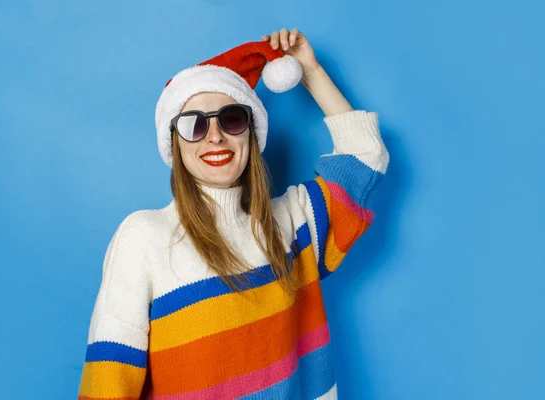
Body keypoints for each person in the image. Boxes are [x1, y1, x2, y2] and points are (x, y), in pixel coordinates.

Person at [77, 28, 390, 400]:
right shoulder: (144, 237)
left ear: (252, 136)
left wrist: (310, 71)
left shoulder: (291, 224)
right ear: (173, 144)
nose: (214, 136)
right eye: (194, 125)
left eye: (232, 119)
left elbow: (365, 156)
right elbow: (107, 386)